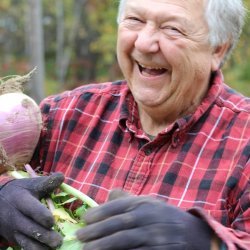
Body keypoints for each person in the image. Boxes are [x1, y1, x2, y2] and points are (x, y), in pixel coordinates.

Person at [0, 0, 249, 249]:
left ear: (217, 48)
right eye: (135, 20)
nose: (143, 43)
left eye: (172, 28)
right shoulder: (61, 114)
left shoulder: (244, 139)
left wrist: (209, 242)